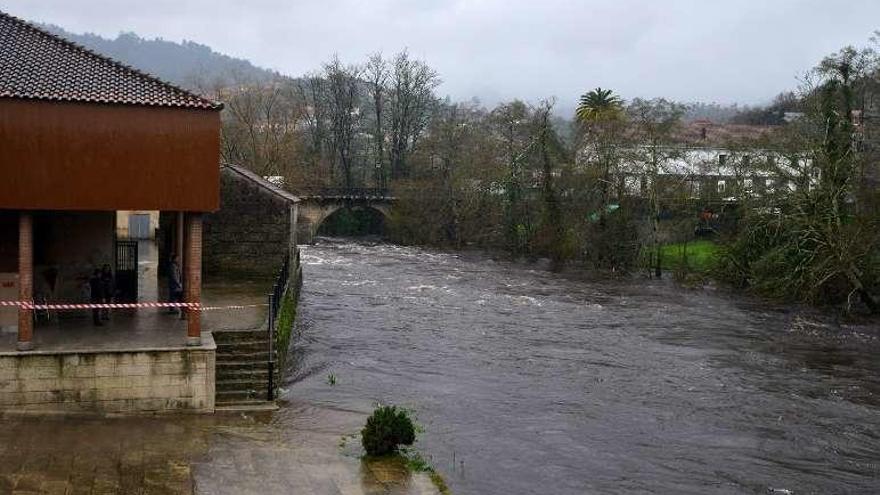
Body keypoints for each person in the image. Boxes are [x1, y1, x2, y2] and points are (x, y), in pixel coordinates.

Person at [169, 254, 184, 319]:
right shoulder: (173, 266)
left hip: (174, 285)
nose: (178, 260)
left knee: (174, 296)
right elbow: (174, 277)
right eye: (177, 258)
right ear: (174, 259)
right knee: (176, 296)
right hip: (175, 285)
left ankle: (174, 308)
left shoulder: (175, 265)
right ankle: (174, 309)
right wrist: (179, 284)